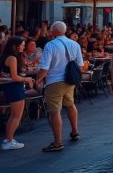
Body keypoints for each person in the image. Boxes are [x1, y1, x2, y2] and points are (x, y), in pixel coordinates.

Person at [37, 21, 83, 152]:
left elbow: (44, 68)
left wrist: (38, 79)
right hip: (69, 80)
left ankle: (57, 142)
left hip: (54, 81)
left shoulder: (50, 45)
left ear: (53, 31)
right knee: (70, 104)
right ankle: (75, 132)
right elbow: (80, 65)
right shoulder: (74, 44)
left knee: (55, 111)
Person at [0, 36, 34, 150]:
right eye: (22, 45)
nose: (23, 47)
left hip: (11, 87)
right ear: (15, 46)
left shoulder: (7, 57)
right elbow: (14, 77)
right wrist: (26, 79)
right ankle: (8, 140)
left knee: (13, 116)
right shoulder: (12, 58)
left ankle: (8, 139)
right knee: (16, 116)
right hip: (15, 87)